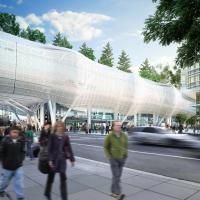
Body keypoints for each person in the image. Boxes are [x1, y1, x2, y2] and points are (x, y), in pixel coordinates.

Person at [45, 121, 75, 200]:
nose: (60, 128)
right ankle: (47, 193)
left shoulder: (65, 137)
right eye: (58, 126)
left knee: (63, 179)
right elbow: (49, 149)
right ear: (55, 127)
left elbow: (69, 148)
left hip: (62, 161)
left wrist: (72, 159)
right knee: (51, 178)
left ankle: (64, 197)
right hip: (53, 161)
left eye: (61, 126)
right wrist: (50, 159)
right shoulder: (52, 136)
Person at [104, 121, 128, 200]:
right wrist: (109, 156)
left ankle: (113, 191)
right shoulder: (110, 136)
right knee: (116, 175)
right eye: (117, 125)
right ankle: (118, 193)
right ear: (113, 127)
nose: (119, 126)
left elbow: (126, 146)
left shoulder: (123, 135)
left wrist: (125, 155)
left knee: (117, 176)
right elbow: (105, 147)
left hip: (122, 159)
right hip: (113, 159)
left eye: (120, 125)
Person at [0, 126, 26, 200]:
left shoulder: (20, 140)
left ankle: (20, 196)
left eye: (17, 132)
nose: (15, 134)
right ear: (10, 132)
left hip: (18, 165)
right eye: (14, 132)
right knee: (4, 181)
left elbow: (23, 151)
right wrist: (4, 162)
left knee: (19, 181)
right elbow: (1, 152)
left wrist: (21, 159)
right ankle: (1, 190)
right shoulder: (5, 140)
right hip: (7, 166)